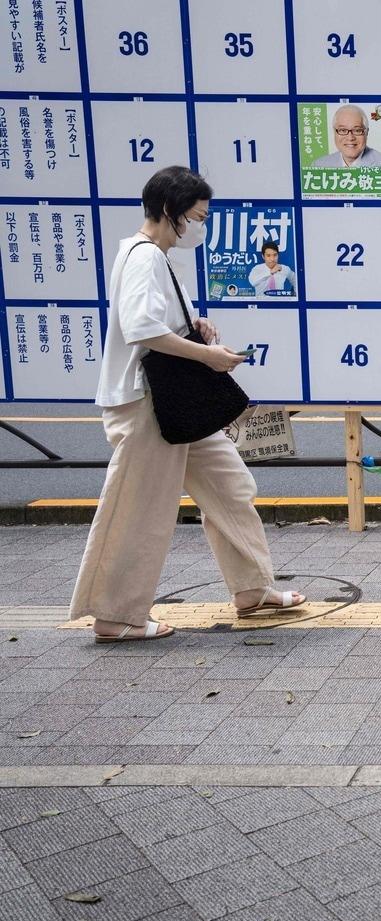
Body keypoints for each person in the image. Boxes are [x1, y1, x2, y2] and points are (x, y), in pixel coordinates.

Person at [69, 166, 304, 642]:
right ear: (169, 213)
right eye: (196, 217)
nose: (201, 227)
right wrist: (208, 356)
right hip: (148, 405)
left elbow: (158, 325)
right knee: (140, 510)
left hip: (173, 404)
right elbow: (141, 329)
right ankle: (115, 617)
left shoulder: (153, 256)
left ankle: (252, 588)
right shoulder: (144, 259)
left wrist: (195, 327)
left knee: (229, 485)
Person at [311, 104, 381, 168]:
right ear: (334, 132)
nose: (350, 138)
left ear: (366, 132)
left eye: (357, 130)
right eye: (342, 130)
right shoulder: (319, 166)